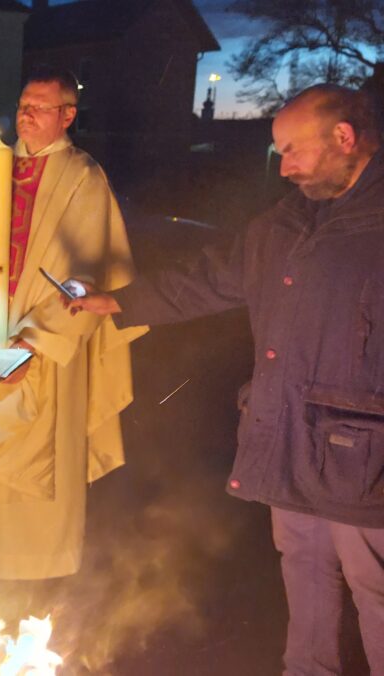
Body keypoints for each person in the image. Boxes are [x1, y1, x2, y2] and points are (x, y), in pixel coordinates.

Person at [69, 83, 384, 675]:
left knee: (376, 588)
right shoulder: (283, 225)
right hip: (287, 437)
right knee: (305, 570)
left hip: (364, 458)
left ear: (344, 138)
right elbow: (209, 278)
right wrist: (120, 302)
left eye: (294, 150)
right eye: (279, 151)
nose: (283, 166)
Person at [0, 66, 143, 580]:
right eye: (23, 104)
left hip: (42, 349)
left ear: (67, 115)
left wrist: (31, 345)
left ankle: (28, 575)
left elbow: (87, 274)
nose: (25, 115)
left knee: (32, 460)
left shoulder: (83, 178)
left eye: (39, 107)